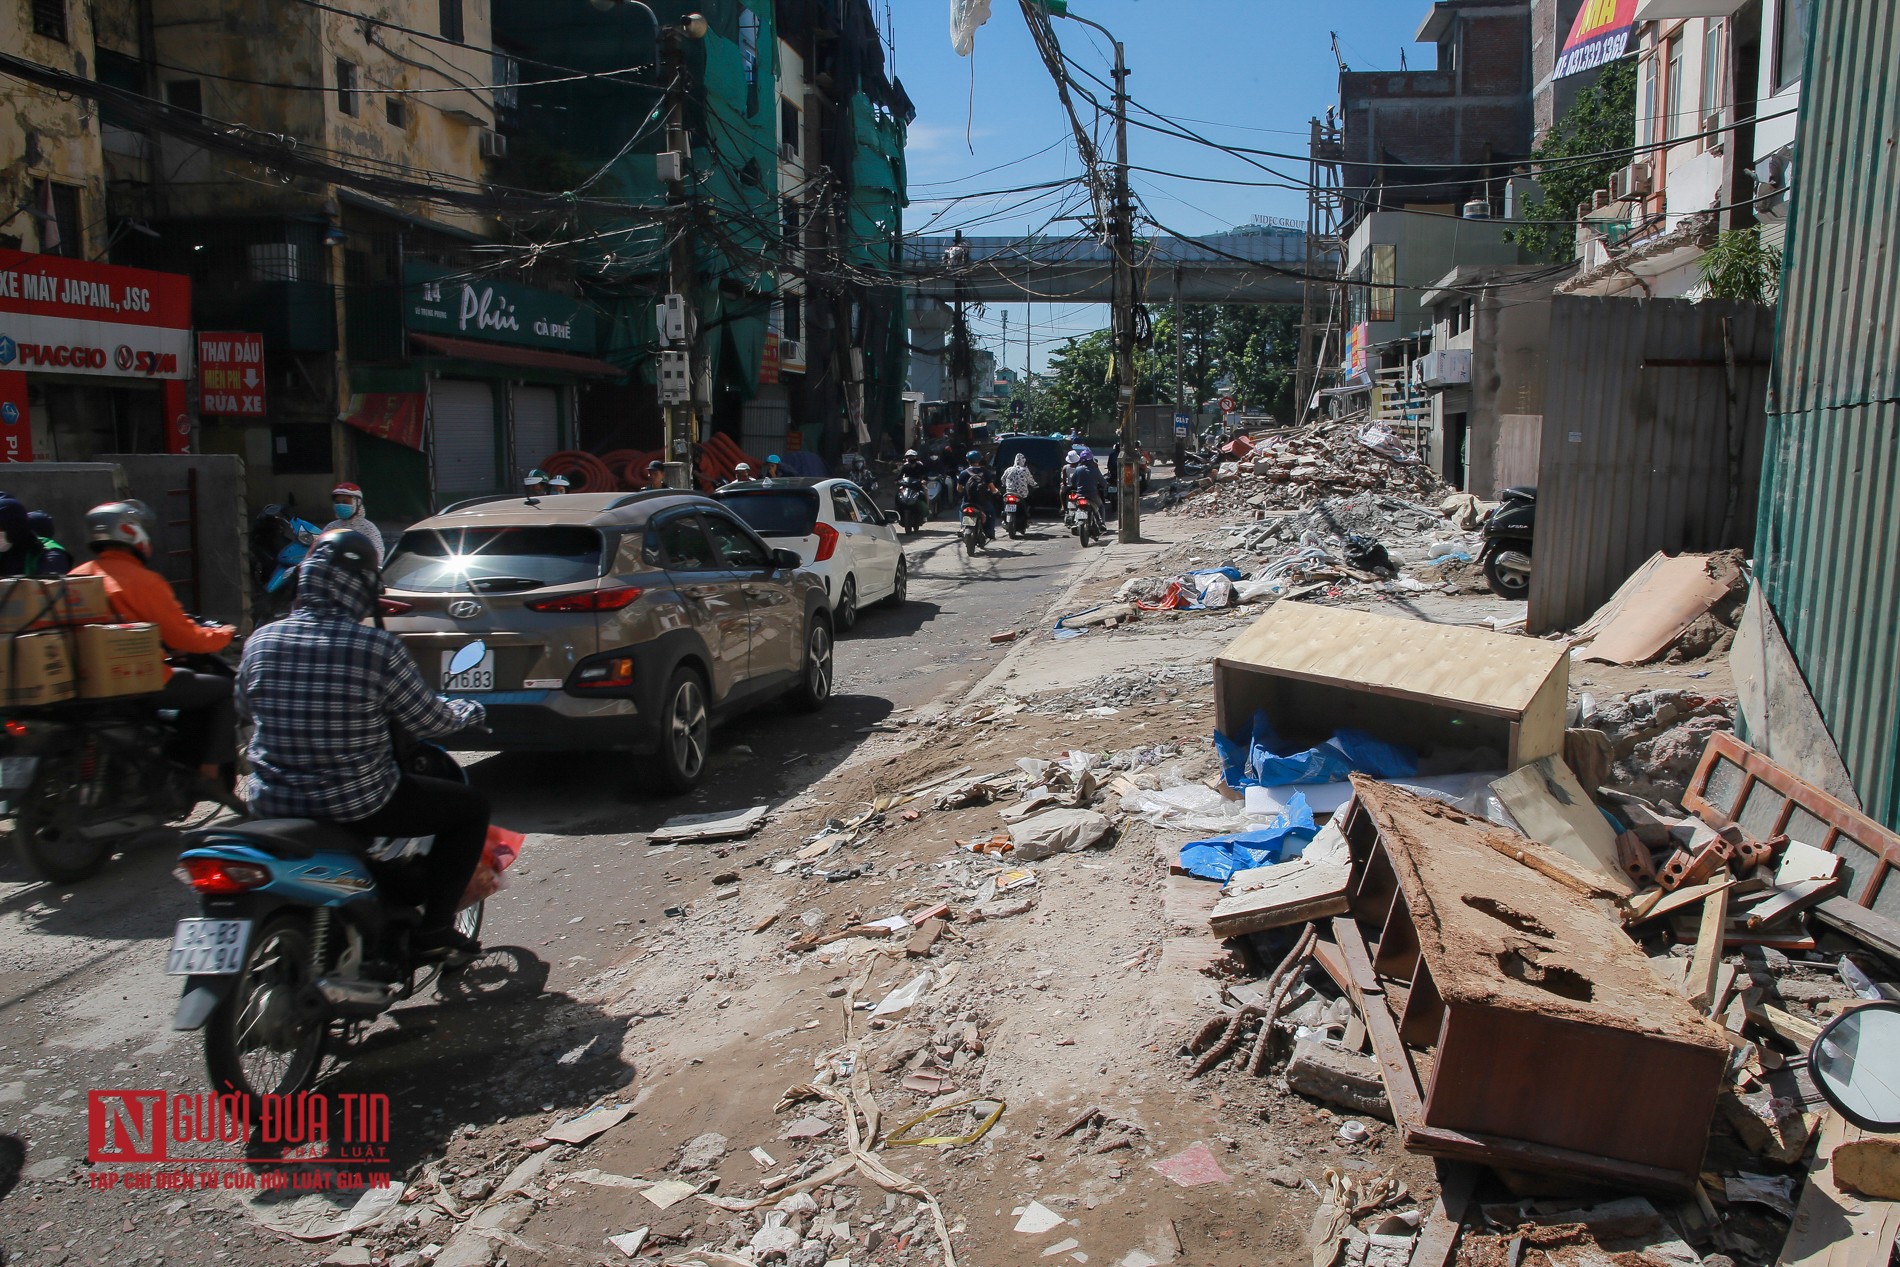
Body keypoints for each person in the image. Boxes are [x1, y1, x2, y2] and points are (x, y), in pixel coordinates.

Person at [237, 530, 489, 958]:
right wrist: (470, 711)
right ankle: (435, 930)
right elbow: (427, 718)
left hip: (272, 801)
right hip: (358, 801)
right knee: (471, 809)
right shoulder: (376, 647)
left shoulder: (261, 639)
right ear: (364, 588)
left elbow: (244, 704)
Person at [70, 501, 237, 784]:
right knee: (227, 690)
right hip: (136, 681)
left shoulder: (75, 576)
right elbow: (185, 637)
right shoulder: (143, 580)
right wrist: (225, 634)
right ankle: (209, 773)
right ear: (132, 532)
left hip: (83, 685)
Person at [0, 497, 71, 577]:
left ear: (14, 526)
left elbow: (50, 586)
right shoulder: (3, 552)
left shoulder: (49, 554)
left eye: (0, 528)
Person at [323, 483, 383, 560]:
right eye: (337, 502)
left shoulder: (369, 529)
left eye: (345, 502)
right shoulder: (330, 528)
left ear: (357, 503)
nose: (340, 505)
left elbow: (377, 558)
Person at [957, 449, 998, 545]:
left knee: (961, 510)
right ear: (979, 460)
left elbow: (959, 489)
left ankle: (963, 527)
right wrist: (996, 492)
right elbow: (992, 489)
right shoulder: (985, 472)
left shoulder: (963, 473)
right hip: (983, 503)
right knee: (991, 511)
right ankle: (990, 532)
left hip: (968, 502)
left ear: (968, 460)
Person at [1002, 452, 1037, 522]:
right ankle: (1027, 516)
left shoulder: (1009, 469)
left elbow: (1003, 479)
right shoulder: (1025, 470)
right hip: (1021, 494)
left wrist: (1004, 484)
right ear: (1023, 461)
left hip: (1009, 492)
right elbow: (1031, 480)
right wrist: (1034, 484)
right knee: (1029, 501)